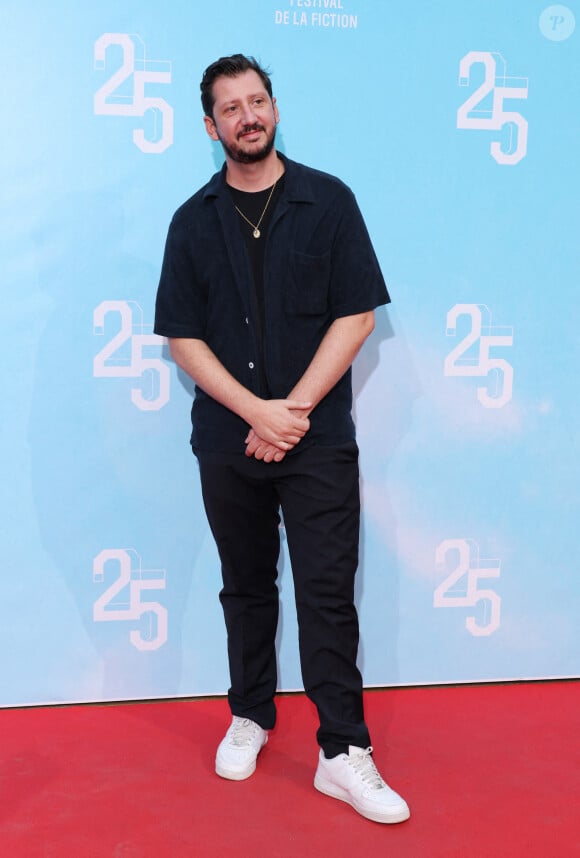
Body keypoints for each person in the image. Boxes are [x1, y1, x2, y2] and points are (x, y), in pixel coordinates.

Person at [154, 54, 410, 825]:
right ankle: (251, 715)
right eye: (229, 108)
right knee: (246, 586)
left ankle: (343, 752)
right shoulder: (192, 221)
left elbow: (357, 315)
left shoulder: (329, 203)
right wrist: (253, 414)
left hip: (319, 437)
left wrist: (288, 411)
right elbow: (183, 339)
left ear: (275, 108)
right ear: (211, 127)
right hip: (227, 442)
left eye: (256, 100)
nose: (246, 116)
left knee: (328, 593)